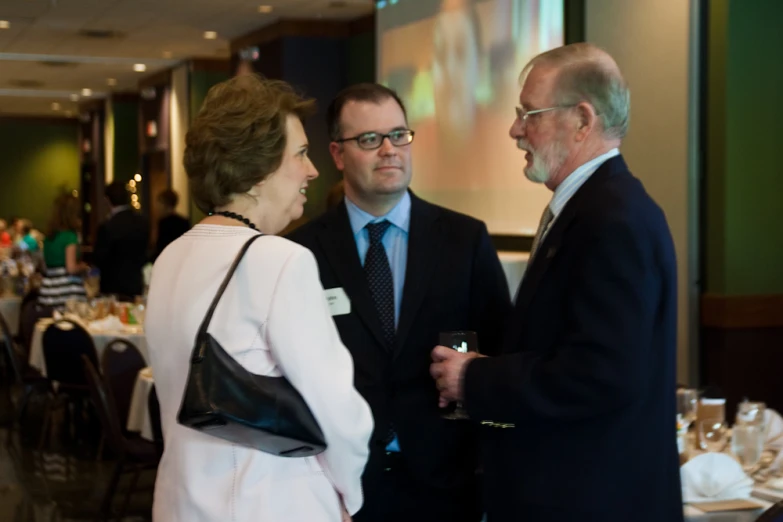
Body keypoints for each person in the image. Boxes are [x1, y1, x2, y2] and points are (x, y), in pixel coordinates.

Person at [430, 43, 683, 522]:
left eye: (530, 113)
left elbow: (600, 374)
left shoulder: (612, 219)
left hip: (590, 501)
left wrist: (474, 378)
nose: (514, 129)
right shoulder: (599, 207)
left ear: (582, 120)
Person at [145, 74, 373, 522]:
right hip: (268, 502)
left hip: (180, 500)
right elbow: (336, 411)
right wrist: (349, 493)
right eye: (301, 154)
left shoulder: (172, 256)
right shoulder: (279, 260)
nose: (312, 170)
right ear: (256, 170)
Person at [287, 83, 511, 522]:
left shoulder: (464, 240)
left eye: (398, 135)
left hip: (446, 481)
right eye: (369, 140)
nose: (388, 150)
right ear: (337, 154)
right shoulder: (301, 252)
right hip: (340, 485)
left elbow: (499, 353)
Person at [94, 181, 149, 300]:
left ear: (107, 200)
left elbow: (99, 259)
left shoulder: (107, 226)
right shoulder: (142, 223)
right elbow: (146, 253)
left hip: (111, 288)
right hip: (135, 285)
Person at [38, 193, 89, 308]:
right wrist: (83, 266)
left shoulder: (49, 237)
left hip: (48, 290)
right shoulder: (70, 236)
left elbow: (44, 266)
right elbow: (70, 268)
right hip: (66, 291)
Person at [153, 188, 190, 260]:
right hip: (180, 258)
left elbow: (160, 246)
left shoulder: (163, 223)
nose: (157, 207)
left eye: (159, 203)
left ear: (165, 204)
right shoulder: (184, 221)